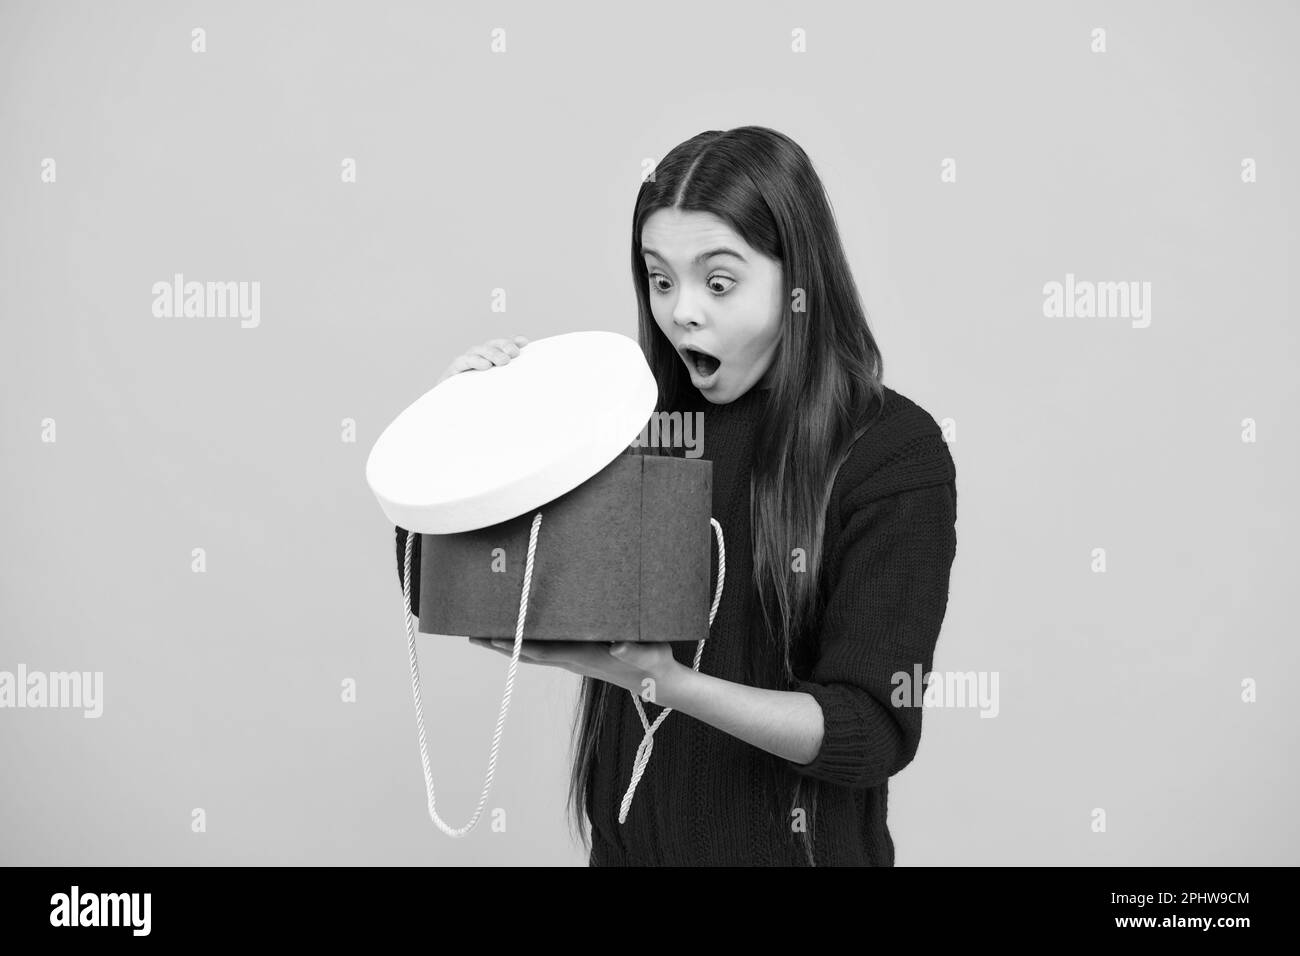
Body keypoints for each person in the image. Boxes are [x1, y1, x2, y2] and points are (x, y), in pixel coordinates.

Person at [396, 126, 958, 866]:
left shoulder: (892, 453)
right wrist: (459, 434)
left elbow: (870, 732)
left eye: (717, 283)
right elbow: (450, 590)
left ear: (799, 283)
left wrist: (665, 682)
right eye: (661, 280)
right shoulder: (634, 426)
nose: (682, 311)